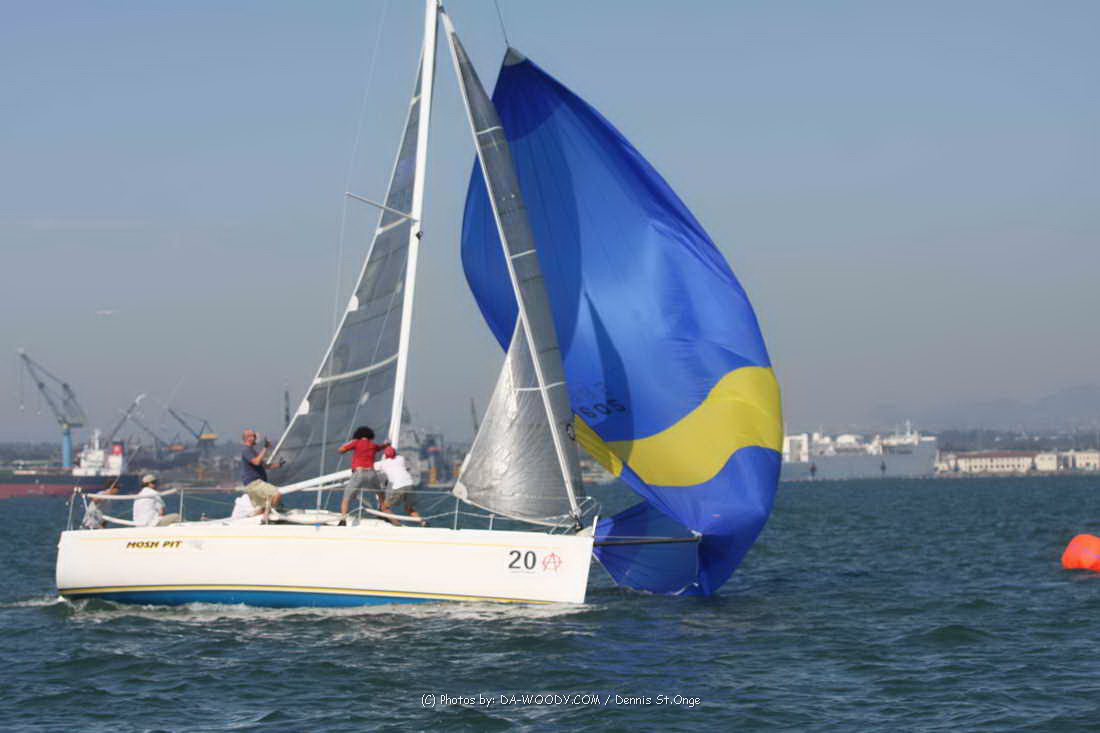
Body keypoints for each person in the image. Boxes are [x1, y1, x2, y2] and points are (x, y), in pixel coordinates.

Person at [337, 426, 389, 520]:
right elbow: (380, 447)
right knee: (381, 494)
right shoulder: (373, 445)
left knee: (346, 497)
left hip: (359, 472)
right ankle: (384, 514)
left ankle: (343, 519)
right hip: (371, 473)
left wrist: (351, 442)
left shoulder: (356, 442)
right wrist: (386, 444)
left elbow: (341, 450)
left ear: (358, 434)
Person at [241, 428, 286, 520]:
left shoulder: (252, 451)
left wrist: (278, 465)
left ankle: (258, 518)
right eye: (254, 436)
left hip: (256, 484)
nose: (256, 438)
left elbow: (264, 466)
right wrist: (265, 448)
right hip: (254, 483)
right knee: (277, 494)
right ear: (248, 438)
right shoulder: (246, 450)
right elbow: (256, 462)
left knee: (270, 505)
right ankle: (266, 516)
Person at [376, 445, 425, 526]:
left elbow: (372, 467)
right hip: (410, 484)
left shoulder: (382, 463)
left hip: (399, 486)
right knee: (408, 509)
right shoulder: (400, 459)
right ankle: (423, 522)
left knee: (384, 508)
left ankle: (397, 524)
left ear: (385, 455)